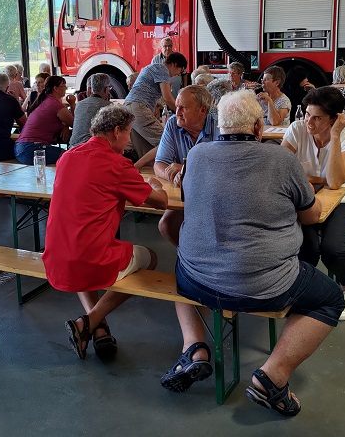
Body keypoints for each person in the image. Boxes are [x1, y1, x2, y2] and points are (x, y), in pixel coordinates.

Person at [163, 90, 343, 415]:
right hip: (264, 288)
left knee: (180, 267)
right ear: (259, 128)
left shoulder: (198, 156)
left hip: (197, 281)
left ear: (220, 126)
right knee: (331, 299)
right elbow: (312, 214)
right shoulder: (281, 160)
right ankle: (272, 376)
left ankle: (194, 347)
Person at [43, 105, 168, 360]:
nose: (130, 140)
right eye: (128, 133)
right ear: (116, 131)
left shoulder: (68, 156)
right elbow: (160, 202)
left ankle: (97, 329)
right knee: (151, 258)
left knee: (84, 250)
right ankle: (90, 321)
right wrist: (155, 183)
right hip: (89, 259)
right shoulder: (117, 164)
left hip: (56, 256)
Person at [281, 87, 345, 321]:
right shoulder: (297, 129)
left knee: (332, 249)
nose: (309, 121)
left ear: (334, 119)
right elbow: (282, 167)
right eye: (307, 114)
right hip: (305, 200)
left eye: (317, 118)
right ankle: (306, 291)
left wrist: (335, 136)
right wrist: (312, 181)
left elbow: (336, 182)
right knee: (307, 249)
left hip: (342, 202)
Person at [153, 85, 217, 246]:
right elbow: (159, 163)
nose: (177, 112)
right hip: (184, 194)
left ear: (202, 110)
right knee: (166, 225)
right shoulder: (173, 124)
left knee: (213, 228)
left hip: (213, 193)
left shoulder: (219, 125)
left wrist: (185, 170)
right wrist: (172, 174)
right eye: (177, 107)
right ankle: (188, 258)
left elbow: (223, 168)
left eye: (183, 108)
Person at [123, 52, 187, 158]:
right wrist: (183, 113)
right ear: (175, 64)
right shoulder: (162, 69)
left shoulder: (154, 67)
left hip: (129, 107)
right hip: (138, 107)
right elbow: (167, 98)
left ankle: (139, 170)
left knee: (144, 147)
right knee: (166, 140)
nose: (177, 75)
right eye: (180, 71)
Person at [14, 75, 75, 165]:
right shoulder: (55, 104)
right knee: (70, 157)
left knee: (67, 156)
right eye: (63, 85)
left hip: (21, 148)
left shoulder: (44, 101)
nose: (66, 88)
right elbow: (75, 124)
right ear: (55, 88)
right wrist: (72, 104)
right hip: (31, 149)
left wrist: (65, 125)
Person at [69, 73, 112, 148]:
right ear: (106, 89)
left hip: (72, 148)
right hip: (90, 149)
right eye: (109, 88)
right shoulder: (109, 106)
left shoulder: (79, 104)